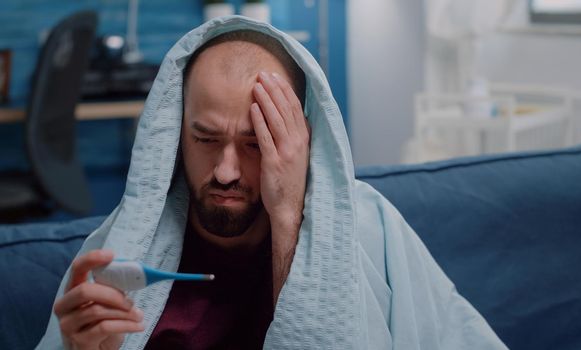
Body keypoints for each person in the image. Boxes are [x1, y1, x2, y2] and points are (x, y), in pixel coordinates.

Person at [37, 17, 508, 349]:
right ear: (174, 135)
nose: (225, 171)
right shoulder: (120, 251)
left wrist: (287, 216)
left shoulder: (371, 227)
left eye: (255, 144)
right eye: (205, 138)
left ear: (299, 139)